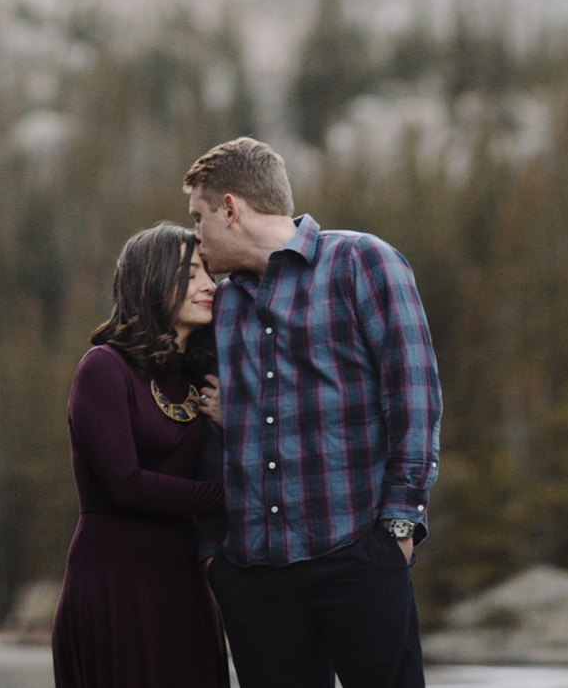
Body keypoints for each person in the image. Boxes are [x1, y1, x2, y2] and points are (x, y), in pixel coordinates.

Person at [187, 137, 442, 688]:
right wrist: (214, 556)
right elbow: (209, 436)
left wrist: (399, 528)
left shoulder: (361, 262)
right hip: (256, 578)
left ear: (230, 209)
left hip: (359, 557)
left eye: (200, 217)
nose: (196, 236)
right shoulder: (222, 306)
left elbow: (414, 398)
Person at [52, 222, 231, 688]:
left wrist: (233, 424)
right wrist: (232, 496)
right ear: (152, 280)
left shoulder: (202, 379)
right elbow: (126, 485)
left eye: (209, 274)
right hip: (115, 580)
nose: (210, 286)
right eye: (192, 274)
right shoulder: (103, 368)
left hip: (185, 580)